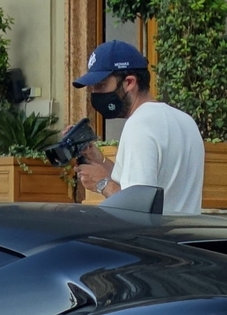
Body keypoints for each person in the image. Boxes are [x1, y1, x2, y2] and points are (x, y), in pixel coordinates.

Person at [71, 39, 205, 215]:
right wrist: (99, 159)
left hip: (152, 239)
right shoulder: (185, 121)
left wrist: (102, 183)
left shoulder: (140, 125)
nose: (95, 94)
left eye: (101, 85)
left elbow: (137, 208)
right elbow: (139, 184)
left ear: (129, 82)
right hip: (181, 237)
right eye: (92, 88)